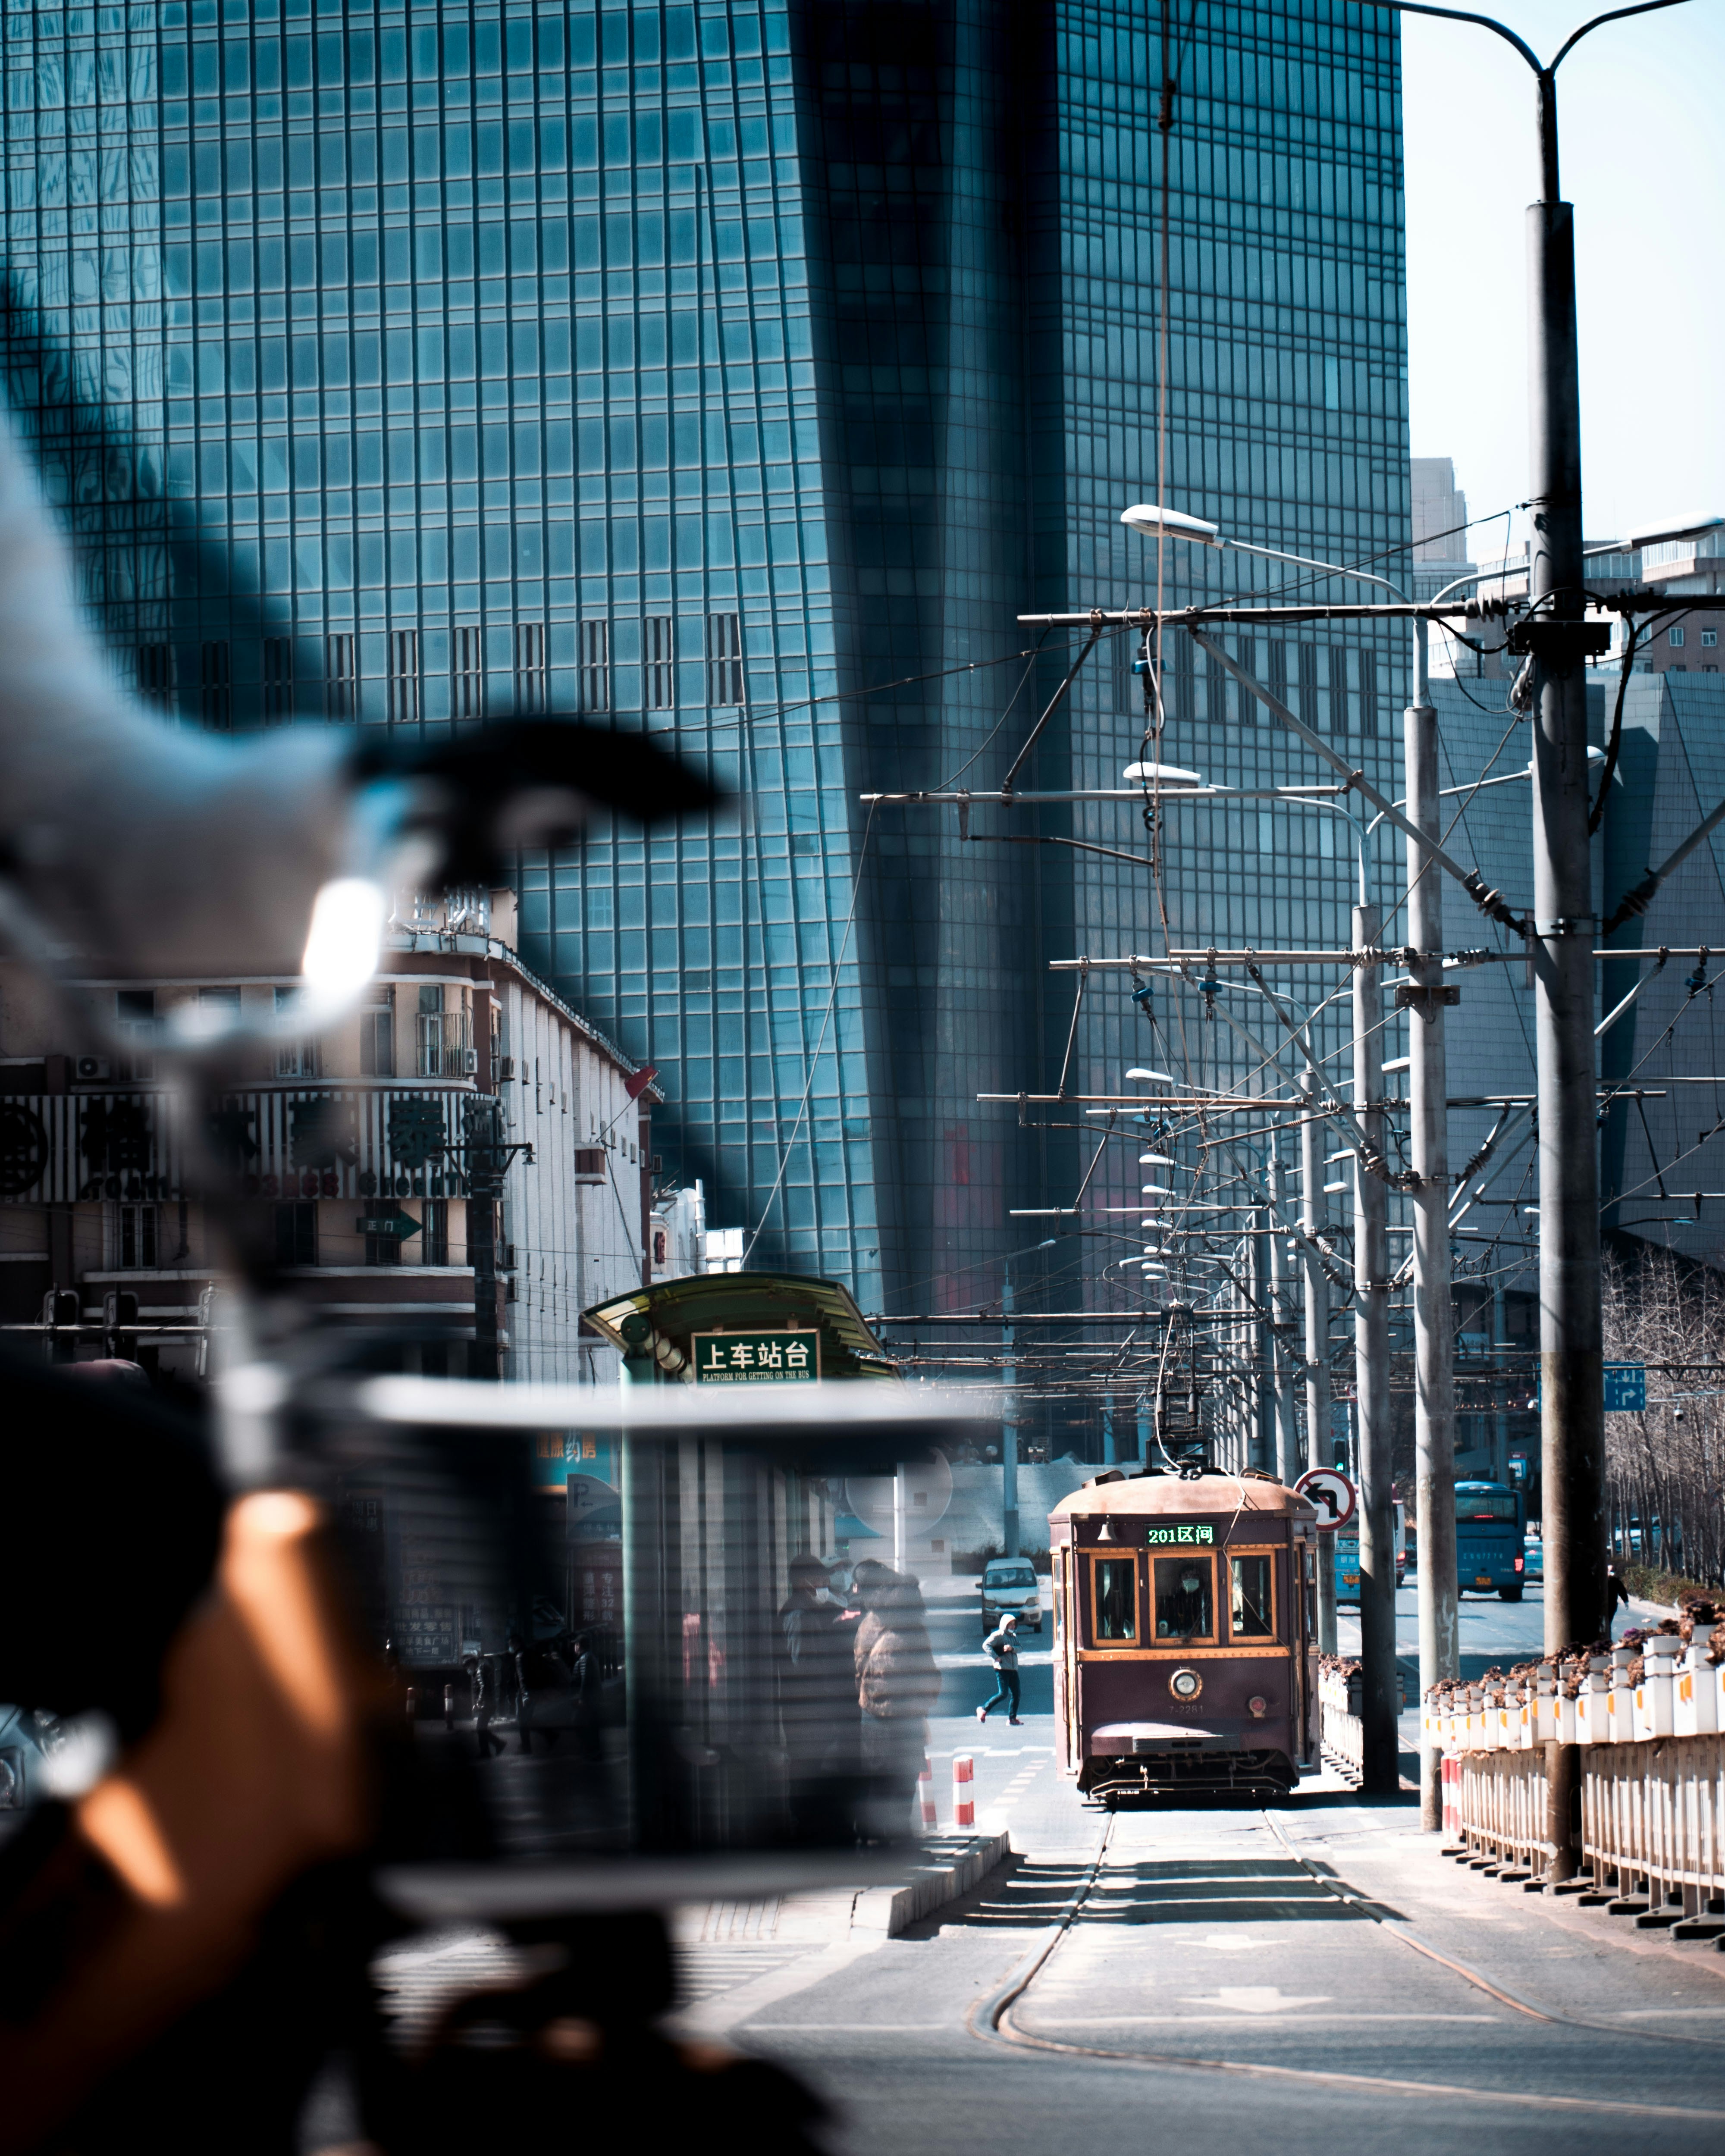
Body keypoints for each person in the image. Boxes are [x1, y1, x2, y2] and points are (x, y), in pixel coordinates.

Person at [850, 1560, 941, 1840]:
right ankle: (898, 1846)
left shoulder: (869, 1623)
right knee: (903, 1787)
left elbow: (858, 1672)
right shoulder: (912, 1628)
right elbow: (928, 1676)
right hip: (907, 1721)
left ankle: (872, 1844)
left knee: (877, 1786)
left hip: (872, 1721)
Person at [777, 1554, 861, 1840]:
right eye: (819, 1578)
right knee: (809, 1783)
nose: (825, 1583)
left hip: (813, 1720)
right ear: (803, 1583)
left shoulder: (808, 1612)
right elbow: (803, 1669)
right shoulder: (798, 1615)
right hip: (808, 1721)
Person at [978, 1611, 1022, 1725]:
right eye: (1010, 1625)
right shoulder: (998, 1635)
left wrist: (1012, 1648)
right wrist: (996, 1657)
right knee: (1003, 1694)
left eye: (1014, 1625)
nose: (1012, 1627)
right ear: (1005, 1625)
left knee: (1017, 1694)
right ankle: (984, 1709)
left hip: (1013, 1669)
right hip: (1002, 1669)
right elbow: (986, 1645)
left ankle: (1012, 1718)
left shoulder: (1014, 1637)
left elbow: (1020, 1648)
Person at [470, 1651, 505, 1759]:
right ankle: (489, 1750)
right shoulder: (480, 1672)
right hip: (487, 1704)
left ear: (472, 1664)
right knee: (481, 1729)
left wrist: (478, 1703)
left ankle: (496, 1746)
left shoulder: (479, 1672)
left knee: (480, 1729)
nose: (468, 1669)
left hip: (486, 1705)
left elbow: (483, 1688)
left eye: (468, 1666)